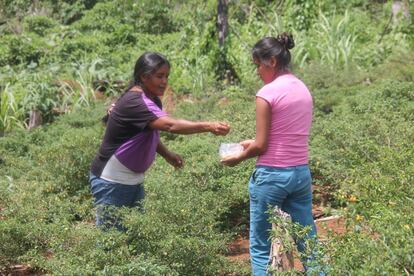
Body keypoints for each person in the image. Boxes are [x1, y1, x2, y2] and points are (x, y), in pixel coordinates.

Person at [90, 51, 230, 230]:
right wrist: (208, 126)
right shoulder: (136, 101)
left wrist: (167, 154)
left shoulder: (151, 99)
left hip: (132, 180)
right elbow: (169, 125)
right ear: (144, 76)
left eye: (166, 76)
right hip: (112, 181)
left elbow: (147, 132)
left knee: (135, 235)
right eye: (159, 76)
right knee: (111, 241)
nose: (164, 82)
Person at [222, 33, 321, 274]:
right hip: (299, 174)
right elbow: (284, 135)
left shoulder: (266, 93)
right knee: (307, 241)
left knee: (260, 245)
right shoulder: (302, 88)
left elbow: (262, 146)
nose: (257, 71)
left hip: (271, 177)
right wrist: (252, 143)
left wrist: (239, 156)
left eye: (258, 65)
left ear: (272, 62)